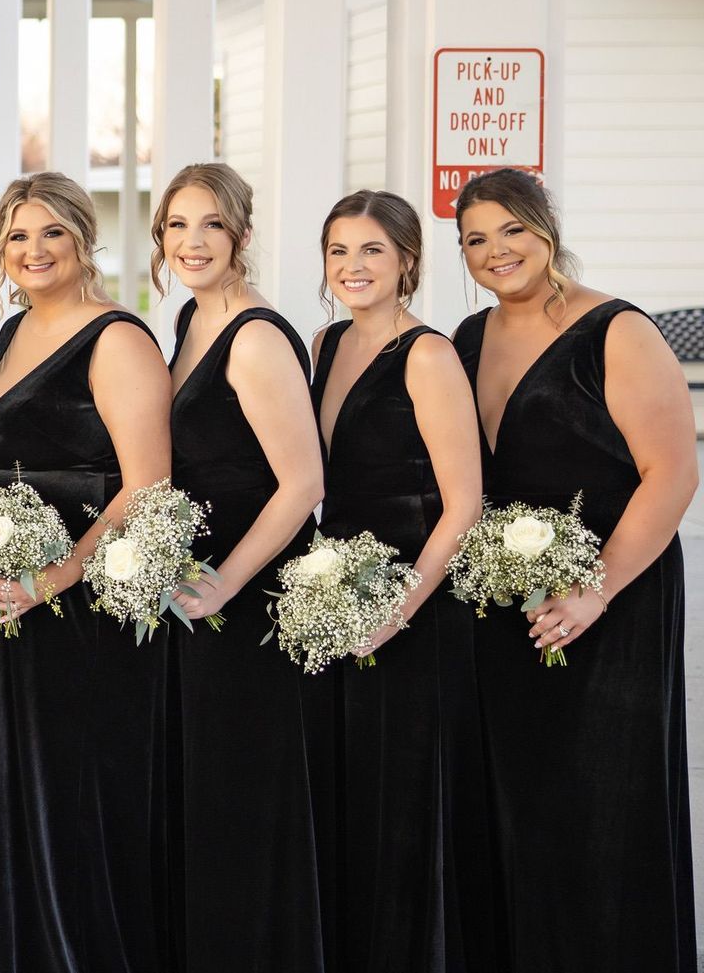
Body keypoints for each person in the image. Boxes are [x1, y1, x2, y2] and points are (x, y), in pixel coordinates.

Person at [452, 168, 695, 970]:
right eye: (476, 240)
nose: (497, 251)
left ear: (544, 226)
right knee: (515, 804)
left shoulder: (617, 330)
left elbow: (672, 471)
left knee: (599, 805)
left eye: (511, 230)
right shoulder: (467, 338)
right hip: (504, 602)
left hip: (611, 599)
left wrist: (595, 590)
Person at [0, 173, 174, 970]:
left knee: (68, 805)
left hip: (74, 618)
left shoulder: (117, 337)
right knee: (7, 795)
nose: (33, 250)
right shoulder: (13, 330)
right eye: (17, 236)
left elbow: (147, 486)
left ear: (83, 238)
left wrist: (56, 578)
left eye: (51, 233)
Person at [158, 162, 325, 970]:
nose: (193, 241)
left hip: (249, 599)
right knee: (209, 793)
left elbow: (303, 484)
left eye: (211, 225)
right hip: (199, 595)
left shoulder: (255, 335)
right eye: (178, 226)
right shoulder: (191, 321)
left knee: (245, 794)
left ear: (242, 236)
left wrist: (225, 579)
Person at [307, 190, 480, 971]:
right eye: (339, 250)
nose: (353, 266)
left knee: (404, 804)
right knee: (347, 798)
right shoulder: (324, 343)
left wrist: (397, 609)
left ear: (408, 259)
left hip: (414, 604)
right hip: (333, 592)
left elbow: (465, 505)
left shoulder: (430, 354)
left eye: (372, 249)